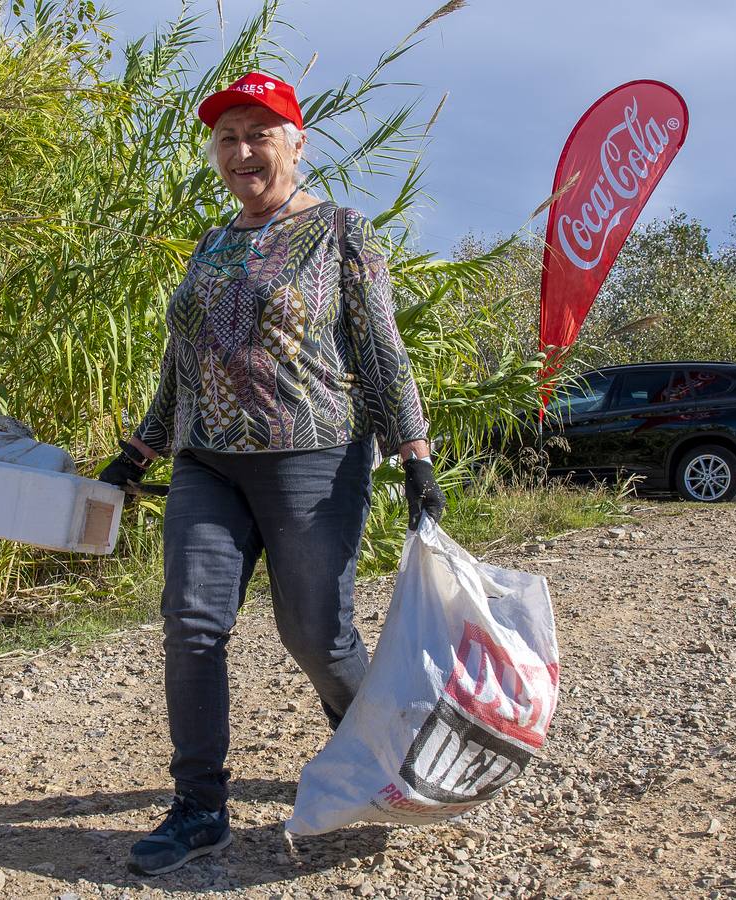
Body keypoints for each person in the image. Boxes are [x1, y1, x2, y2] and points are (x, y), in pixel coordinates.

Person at [98, 72, 446, 876]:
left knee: (317, 636)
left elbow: (383, 353)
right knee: (190, 623)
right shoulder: (211, 243)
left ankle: (387, 763)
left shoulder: (339, 233)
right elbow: (181, 364)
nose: (242, 150)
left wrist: (414, 456)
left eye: (260, 133)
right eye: (227, 137)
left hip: (311, 461)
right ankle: (199, 809)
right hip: (206, 463)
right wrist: (140, 450)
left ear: (297, 142)